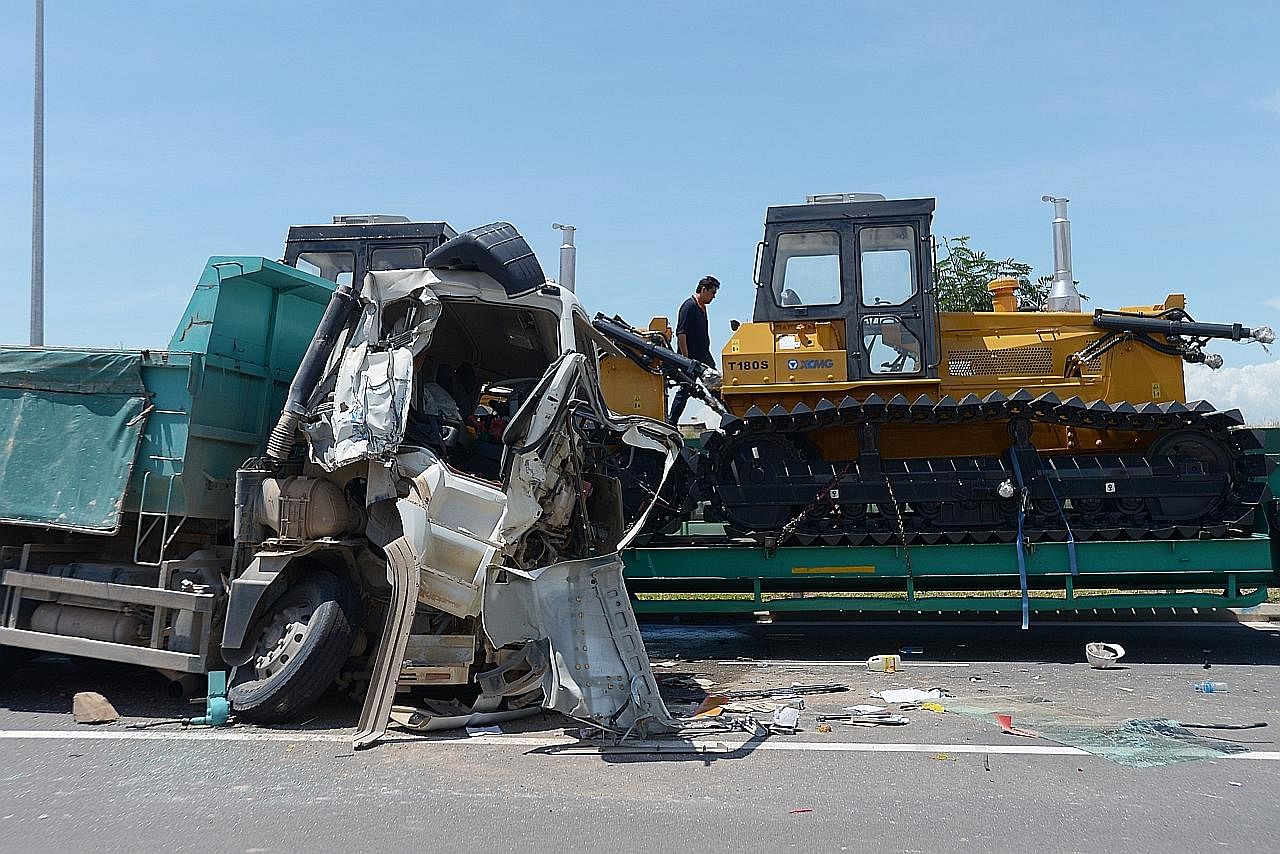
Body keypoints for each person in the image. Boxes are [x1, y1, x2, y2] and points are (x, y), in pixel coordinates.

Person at [668, 275, 719, 425]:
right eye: (712, 293)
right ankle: (672, 422)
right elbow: (681, 333)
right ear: (703, 290)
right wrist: (686, 358)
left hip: (704, 355)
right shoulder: (689, 306)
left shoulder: (702, 308)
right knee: (685, 389)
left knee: (715, 383)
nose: (713, 297)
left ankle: (730, 414)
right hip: (690, 358)